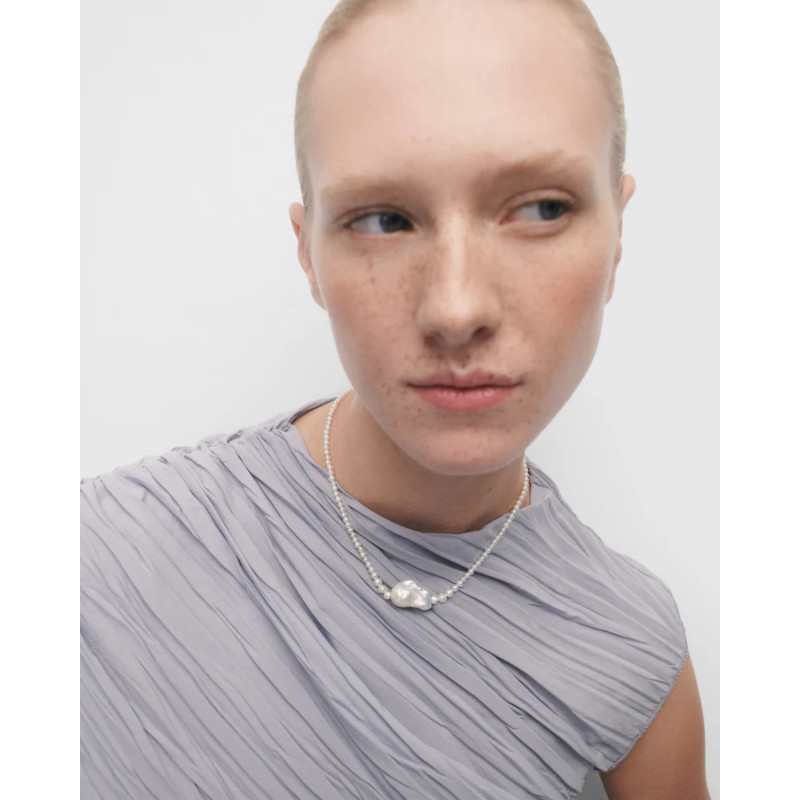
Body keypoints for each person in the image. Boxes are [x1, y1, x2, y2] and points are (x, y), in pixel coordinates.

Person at [81, 0, 711, 798]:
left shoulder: (631, 654)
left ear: (617, 234)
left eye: (541, 208)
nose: (455, 308)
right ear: (308, 255)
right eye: (383, 219)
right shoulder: (90, 559)